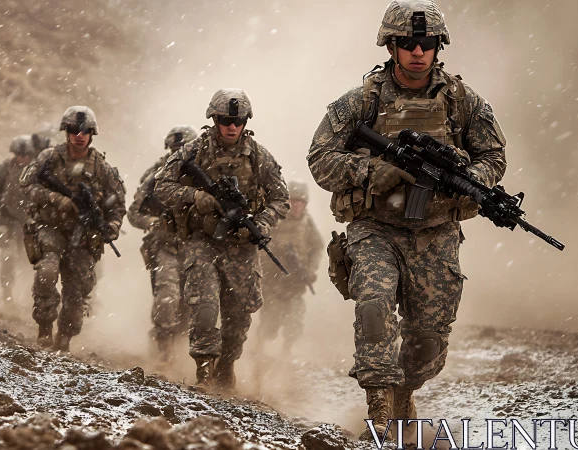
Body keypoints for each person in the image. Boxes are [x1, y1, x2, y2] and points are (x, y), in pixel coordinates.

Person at [306, 0, 507, 441]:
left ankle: (404, 392)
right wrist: (369, 172)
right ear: (392, 46)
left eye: (427, 43)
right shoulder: (363, 100)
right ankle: (379, 415)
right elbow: (320, 157)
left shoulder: (462, 101)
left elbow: (493, 156)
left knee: (428, 344)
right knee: (374, 308)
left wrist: (469, 177)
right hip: (375, 228)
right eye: (409, 43)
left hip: (436, 233)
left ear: (438, 47)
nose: (419, 52)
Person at [154, 89, 289, 390]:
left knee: (238, 316)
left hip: (241, 246)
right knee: (204, 307)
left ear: (245, 121)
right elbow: (161, 186)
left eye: (238, 120)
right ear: (214, 120)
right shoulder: (194, 151)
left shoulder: (259, 156)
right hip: (203, 241)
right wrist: (195, 196)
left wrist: (261, 223)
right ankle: (204, 370)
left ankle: (226, 366)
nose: (232, 126)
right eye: (226, 120)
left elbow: (281, 198)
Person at [19, 106, 126, 353]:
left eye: (85, 131)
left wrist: (111, 226)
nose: (80, 135)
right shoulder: (50, 157)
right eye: (74, 130)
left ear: (92, 133)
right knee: (47, 271)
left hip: (84, 234)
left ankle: (65, 337)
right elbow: (27, 183)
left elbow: (117, 203)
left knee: (76, 289)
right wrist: (58, 200)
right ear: (66, 132)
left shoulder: (102, 167)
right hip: (51, 226)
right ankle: (45, 326)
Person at [128, 125, 198, 364]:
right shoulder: (155, 176)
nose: (179, 154)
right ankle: (162, 351)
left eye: (184, 149)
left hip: (197, 250)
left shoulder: (204, 176)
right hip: (165, 247)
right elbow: (133, 213)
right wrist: (154, 222)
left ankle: (177, 354)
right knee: (167, 300)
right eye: (175, 149)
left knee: (190, 308)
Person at [256, 180, 323, 355]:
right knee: (270, 325)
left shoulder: (307, 223)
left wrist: (310, 270)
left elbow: (317, 246)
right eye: (293, 201)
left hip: (295, 282)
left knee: (294, 322)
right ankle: (259, 352)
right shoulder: (275, 218)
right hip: (273, 281)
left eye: (301, 201)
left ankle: (286, 355)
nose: (297, 205)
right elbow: (261, 242)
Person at [0, 135, 36, 303]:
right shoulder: (4, 168)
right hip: (8, 221)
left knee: (28, 263)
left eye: (26, 155)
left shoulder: (38, 171)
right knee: (8, 256)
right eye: (19, 154)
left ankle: (28, 296)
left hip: (29, 224)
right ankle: (7, 293)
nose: (22, 158)